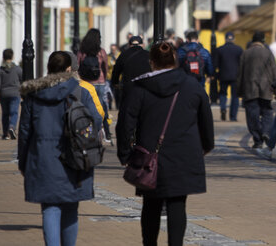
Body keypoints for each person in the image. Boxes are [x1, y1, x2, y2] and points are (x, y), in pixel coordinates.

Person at [116, 41, 214, 246]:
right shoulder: (192, 86)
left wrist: (125, 153)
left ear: (152, 63)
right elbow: (206, 119)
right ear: (175, 60)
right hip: (184, 154)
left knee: (151, 205)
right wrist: (206, 146)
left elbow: (125, 122)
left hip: (150, 155)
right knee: (178, 205)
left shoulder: (140, 87)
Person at [18, 51, 102, 246]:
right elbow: (96, 121)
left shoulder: (34, 95)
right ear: (68, 69)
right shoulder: (81, 91)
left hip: (43, 157)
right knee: (71, 207)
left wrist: (24, 162)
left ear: (49, 68)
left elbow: (24, 132)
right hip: (76, 157)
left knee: (50, 208)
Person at [237, 32, 276, 149]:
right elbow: (275, 72)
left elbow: (240, 74)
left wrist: (239, 91)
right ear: (263, 41)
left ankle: (258, 139)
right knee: (267, 112)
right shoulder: (268, 53)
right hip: (266, 88)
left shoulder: (245, 53)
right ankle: (266, 131)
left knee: (252, 115)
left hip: (250, 89)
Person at [78, 29, 112, 142]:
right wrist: (105, 78)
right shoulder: (101, 51)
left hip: (86, 83)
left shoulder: (82, 52)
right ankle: (106, 131)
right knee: (102, 107)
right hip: (100, 81)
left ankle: (88, 129)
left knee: (87, 106)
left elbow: (77, 65)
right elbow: (105, 66)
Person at [111, 35, 152, 105]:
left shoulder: (123, 55)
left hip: (129, 88)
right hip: (145, 87)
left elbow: (116, 71)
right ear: (142, 45)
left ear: (129, 45)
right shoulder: (148, 55)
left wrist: (115, 83)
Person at [0, 48, 23, 140]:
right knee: (14, 112)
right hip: (15, 93)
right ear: (13, 57)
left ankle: (5, 133)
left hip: (4, 94)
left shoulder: (0, 70)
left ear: (3, 57)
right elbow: (22, 80)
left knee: (5, 114)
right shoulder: (17, 69)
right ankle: (12, 127)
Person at [214, 32, 243, 121]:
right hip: (235, 76)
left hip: (223, 75)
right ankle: (233, 116)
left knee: (223, 94)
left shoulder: (219, 49)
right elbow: (242, 64)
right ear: (233, 39)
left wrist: (214, 75)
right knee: (235, 96)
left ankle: (223, 108)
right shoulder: (239, 49)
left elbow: (215, 64)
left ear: (225, 39)